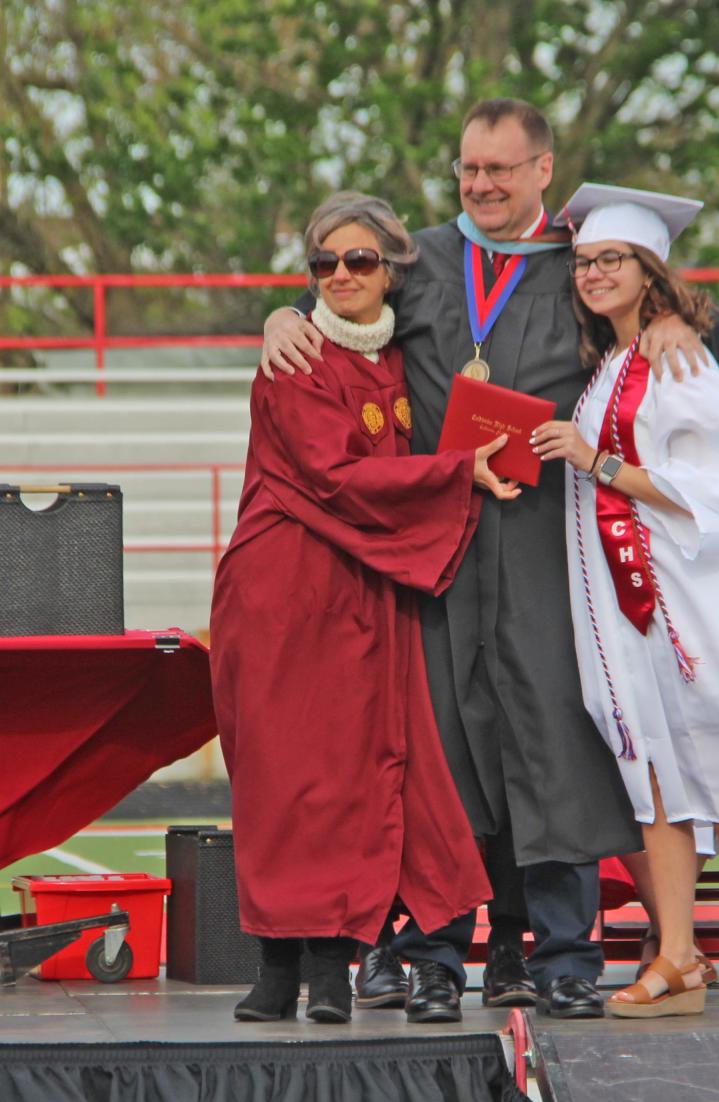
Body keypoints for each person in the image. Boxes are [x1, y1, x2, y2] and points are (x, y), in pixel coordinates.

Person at [259, 98, 719, 1021]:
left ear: (543, 171)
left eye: (501, 171)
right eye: (469, 170)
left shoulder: (579, 263)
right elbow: (342, 294)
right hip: (441, 541)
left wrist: (683, 325)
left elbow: (697, 332)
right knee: (443, 743)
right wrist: (282, 312)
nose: (481, 186)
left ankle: (564, 955)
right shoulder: (424, 260)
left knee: (554, 741)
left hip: (551, 543)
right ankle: (436, 952)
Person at [210, 191, 515, 1023]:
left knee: (355, 776)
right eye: (322, 264)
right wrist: (459, 474)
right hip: (286, 597)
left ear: (392, 271)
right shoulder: (297, 357)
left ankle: (323, 972)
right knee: (285, 784)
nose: (340, 276)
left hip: (362, 591)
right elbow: (332, 476)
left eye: (359, 260)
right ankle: (284, 970)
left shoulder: (394, 357)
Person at [531, 185, 719, 1019]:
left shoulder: (678, 358)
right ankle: (681, 955)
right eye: (583, 262)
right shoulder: (613, 364)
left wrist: (597, 462)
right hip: (626, 616)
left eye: (610, 259)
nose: (592, 274)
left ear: (650, 270)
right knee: (652, 774)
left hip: (687, 603)